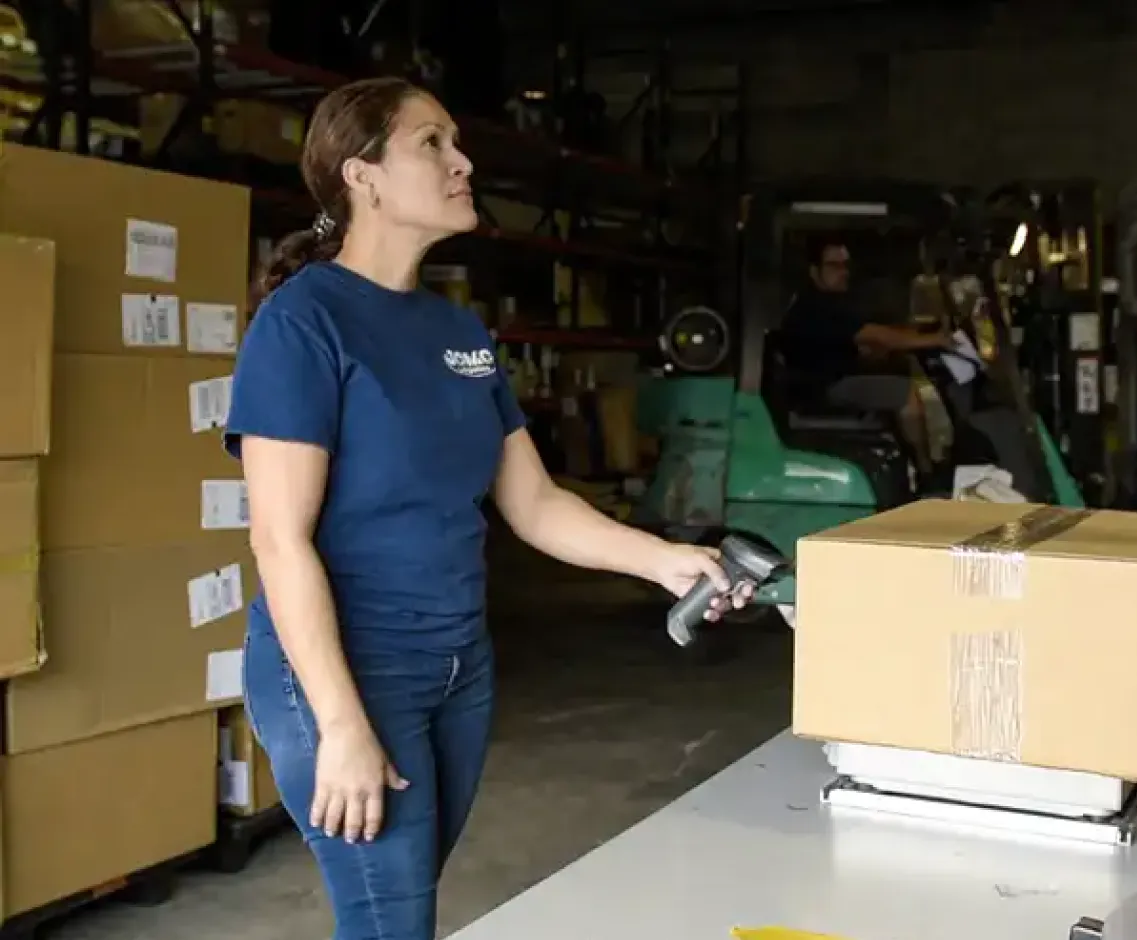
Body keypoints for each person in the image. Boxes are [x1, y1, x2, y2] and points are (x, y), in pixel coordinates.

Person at [224, 77, 753, 940]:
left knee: (400, 909)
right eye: (431, 143)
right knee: (393, 924)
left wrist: (666, 561)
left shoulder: (459, 334)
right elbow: (279, 541)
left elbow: (534, 502)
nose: (462, 161)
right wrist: (342, 724)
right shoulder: (302, 324)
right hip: (351, 672)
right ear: (363, 176)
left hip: (458, 669)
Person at [775, 238, 954, 469]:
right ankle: (925, 471)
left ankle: (904, 459)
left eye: (845, 265)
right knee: (906, 392)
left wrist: (909, 339)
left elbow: (863, 340)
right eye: (833, 266)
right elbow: (876, 335)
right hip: (825, 388)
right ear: (814, 271)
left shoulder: (827, 303)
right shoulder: (817, 306)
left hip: (829, 380)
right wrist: (934, 339)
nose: (843, 272)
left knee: (894, 370)